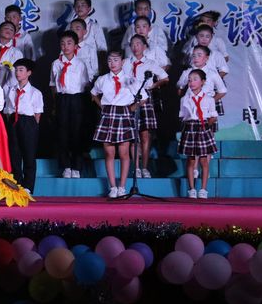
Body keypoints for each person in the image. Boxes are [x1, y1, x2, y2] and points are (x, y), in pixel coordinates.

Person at [91, 51, 138, 198]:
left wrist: (131, 109)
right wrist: (102, 106)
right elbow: (93, 93)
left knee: (124, 153)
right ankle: (112, 187)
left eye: (116, 60)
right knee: (109, 152)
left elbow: (143, 97)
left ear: (122, 62)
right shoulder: (103, 79)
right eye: (110, 60)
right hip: (108, 114)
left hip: (124, 114)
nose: (112, 63)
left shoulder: (130, 80)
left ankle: (122, 186)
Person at [124, 34, 169, 178]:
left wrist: (153, 86)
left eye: (138, 44)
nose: (135, 47)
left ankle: (144, 167)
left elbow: (165, 78)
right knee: (133, 136)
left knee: (145, 135)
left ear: (144, 46)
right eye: (132, 44)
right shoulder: (125, 62)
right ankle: (136, 168)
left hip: (145, 98)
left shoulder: (150, 63)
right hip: (128, 98)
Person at [50, 30, 90, 178]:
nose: (65, 46)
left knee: (77, 132)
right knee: (62, 133)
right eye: (63, 43)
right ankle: (66, 165)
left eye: (69, 43)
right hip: (62, 99)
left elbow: (85, 84)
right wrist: (55, 104)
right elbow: (52, 85)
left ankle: (77, 166)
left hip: (77, 99)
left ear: (75, 46)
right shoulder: (56, 63)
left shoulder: (80, 64)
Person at [4, 58, 43, 193]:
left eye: (21, 70)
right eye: (16, 70)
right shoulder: (11, 90)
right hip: (13, 121)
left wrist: (31, 127)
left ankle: (28, 186)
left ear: (29, 73)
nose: (17, 73)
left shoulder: (35, 92)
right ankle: (17, 183)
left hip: (28, 122)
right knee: (14, 154)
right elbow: (8, 109)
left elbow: (37, 114)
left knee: (29, 155)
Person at [178, 69, 218, 199]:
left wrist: (205, 127)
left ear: (203, 82)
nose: (191, 82)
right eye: (189, 80)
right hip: (190, 128)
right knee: (191, 160)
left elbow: (213, 116)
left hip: (203, 128)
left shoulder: (209, 99)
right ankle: (192, 189)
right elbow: (183, 116)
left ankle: (203, 189)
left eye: (195, 79)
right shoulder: (185, 99)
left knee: (204, 161)